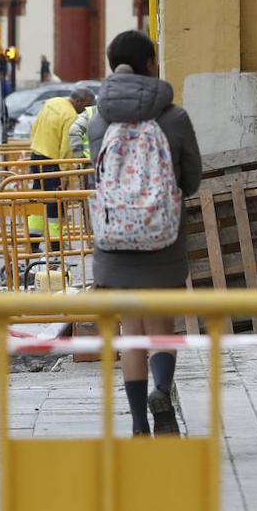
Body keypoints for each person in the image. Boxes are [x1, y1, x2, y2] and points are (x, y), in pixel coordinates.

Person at [88, 30, 202, 436]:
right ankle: (161, 392)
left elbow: (98, 176)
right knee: (161, 329)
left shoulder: (99, 120)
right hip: (162, 237)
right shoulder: (174, 117)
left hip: (114, 243)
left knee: (130, 332)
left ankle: (139, 424)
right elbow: (192, 179)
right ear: (152, 64)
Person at [28, 83, 95, 253]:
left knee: (36, 197)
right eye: (87, 105)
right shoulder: (70, 116)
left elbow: (35, 127)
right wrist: (65, 174)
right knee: (55, 203)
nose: (86, 110)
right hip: (52, 161)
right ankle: (56, 245)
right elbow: (66, 149)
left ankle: (32, 241)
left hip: (36, 155)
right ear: (79, 101)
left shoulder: (52, 102)